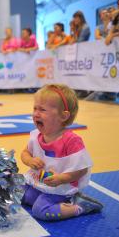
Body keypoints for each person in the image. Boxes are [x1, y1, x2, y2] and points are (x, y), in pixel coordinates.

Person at [21, 84, 103, 221]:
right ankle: (44, 198)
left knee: (40, 210)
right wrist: (29, 160)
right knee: (19, 194)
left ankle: (79, 206)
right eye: (35, 108)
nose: (36, 113)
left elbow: (81, 169)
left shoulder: (71, 140)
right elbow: (25, 153)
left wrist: (61, 179)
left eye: (42, 110)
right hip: (39, 183)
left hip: (60, 188)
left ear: (63, 116)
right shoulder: (36, 136)